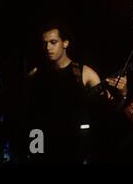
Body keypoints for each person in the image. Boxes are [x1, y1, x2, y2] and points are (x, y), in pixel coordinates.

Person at [24, 22, 126, 163]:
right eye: (45, 43)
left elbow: (108, 110)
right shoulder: (36, 74)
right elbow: (28, 112)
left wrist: (123, 93)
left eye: (53, 42)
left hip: (75, 150)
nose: (48, 47)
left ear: (65, 43)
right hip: (44, 147)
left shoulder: (84, 73)